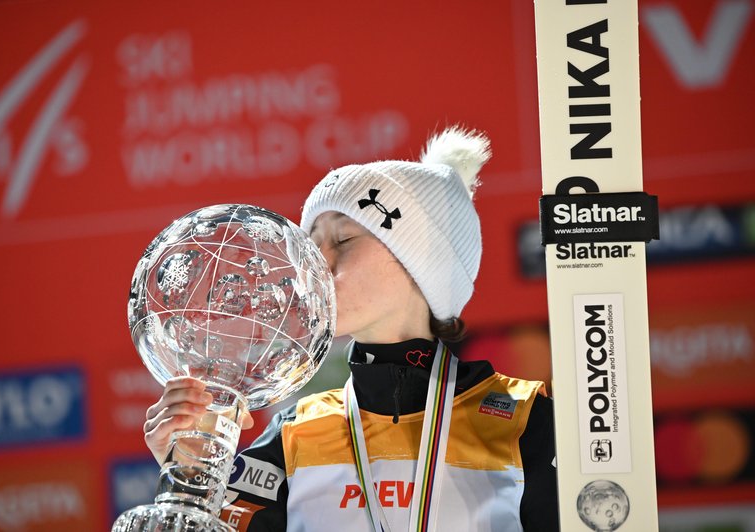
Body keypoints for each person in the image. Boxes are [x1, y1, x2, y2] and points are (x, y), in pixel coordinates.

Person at [143, 126, 559, 531]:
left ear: (420, 266)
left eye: (342, 241)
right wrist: (189, 481)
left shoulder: (525, 420)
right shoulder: (293, 435)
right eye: (309, 246)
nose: (314, 266)